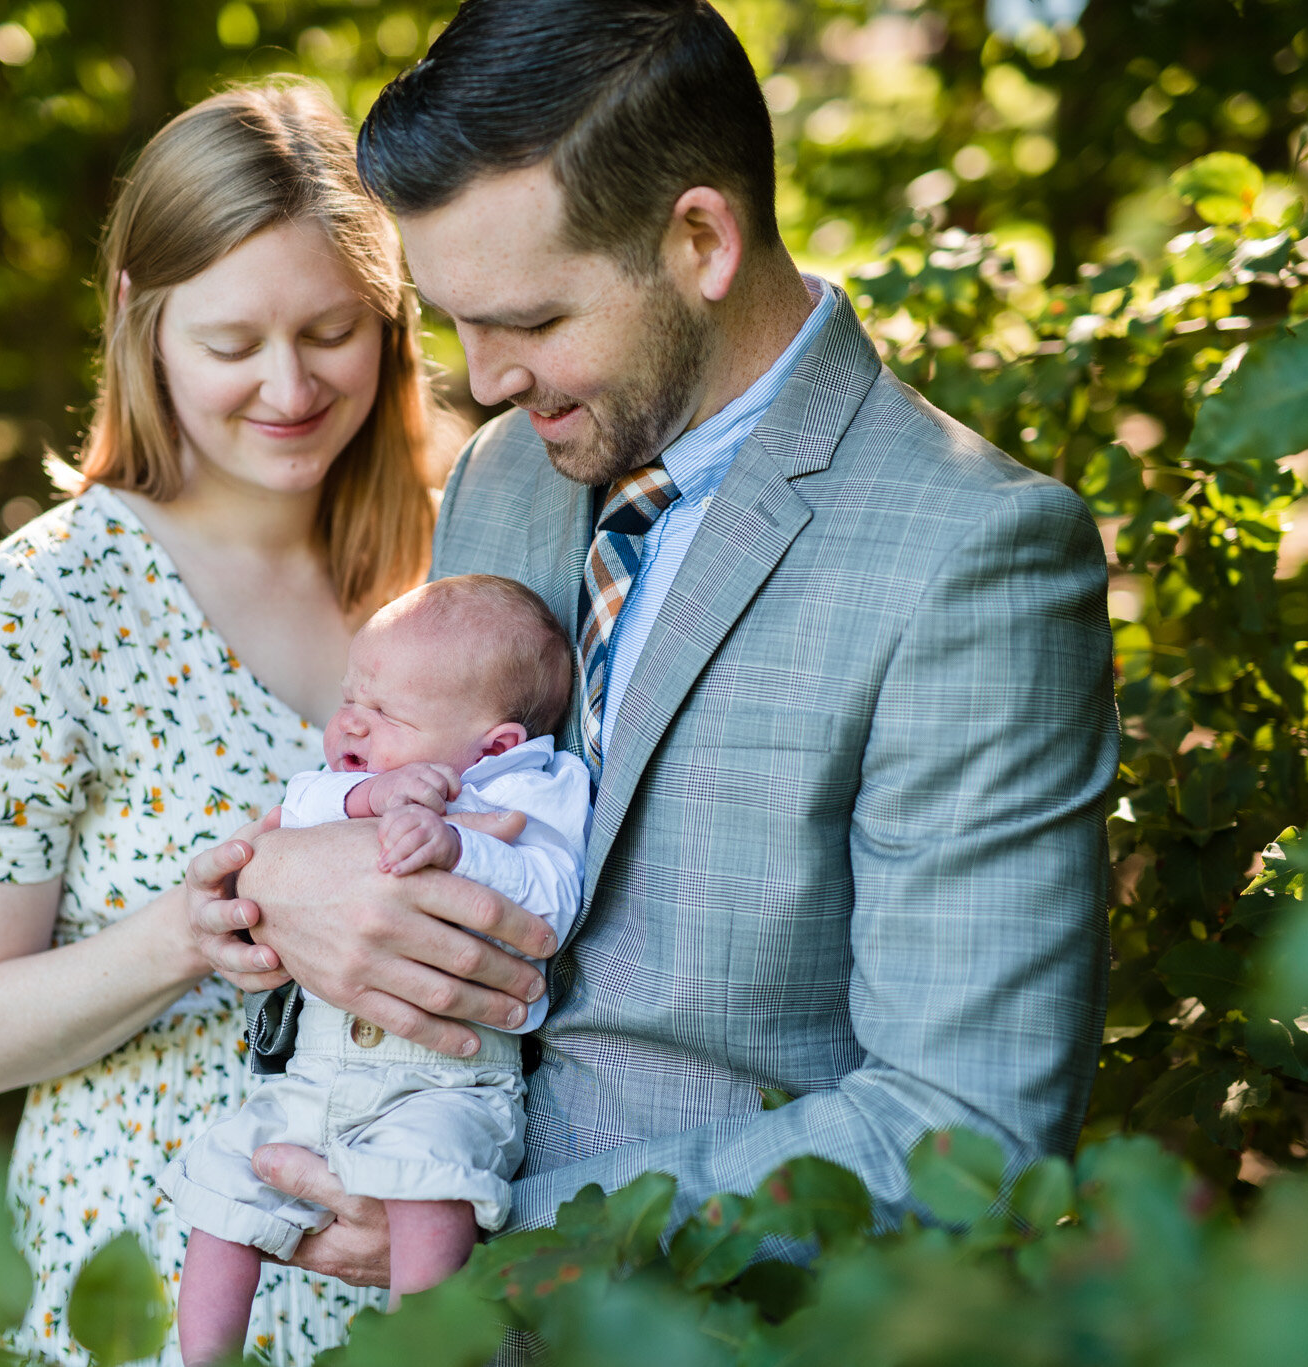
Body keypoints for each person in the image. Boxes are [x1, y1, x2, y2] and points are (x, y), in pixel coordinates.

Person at [185, 0, 1120, 1296]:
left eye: (528, 319)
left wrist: (493, 1241)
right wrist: (302, 873)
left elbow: (971, 1134)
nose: (485, 377)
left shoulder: (975, 556)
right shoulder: (512, 475)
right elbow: (447, 777)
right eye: (456, 320)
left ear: (701, 240)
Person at [0, 79, 471, 1366]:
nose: (288, 387)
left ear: (392, 318)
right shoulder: (47, 602)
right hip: (144, 1299)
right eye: (231, 342)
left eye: (330, 331)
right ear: (139, 320)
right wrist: (180, 935)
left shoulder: (465, 560)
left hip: (436, 1295)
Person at [166, 574, 586, 1365]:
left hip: (446, 1082)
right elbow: (292, 816)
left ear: (494, 745)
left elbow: (553, 899)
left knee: (433, 1191)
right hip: (316, 1077)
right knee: (222, 1181)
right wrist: (371, 796)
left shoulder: (533, 791)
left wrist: (462, 845)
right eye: (352, 698)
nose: (351, 721)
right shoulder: (345, 788)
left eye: (388, 713)